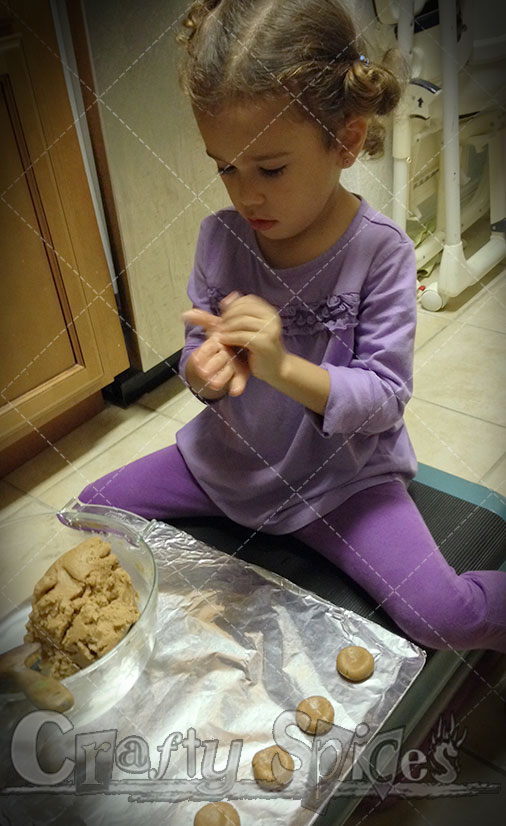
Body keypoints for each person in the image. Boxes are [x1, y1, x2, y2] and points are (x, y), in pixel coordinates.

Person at [78, 0, 506, 653]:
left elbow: (383, 399)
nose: (245, 195)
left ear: (347, 140)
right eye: (224, 166)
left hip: (342, 484)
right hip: (229, 466)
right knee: (92, 510)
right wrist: (204, 373)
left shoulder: (380, 252)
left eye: (270, 169)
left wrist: (282, 368)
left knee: (446, 619)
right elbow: (202, 357)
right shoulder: (220, 240)